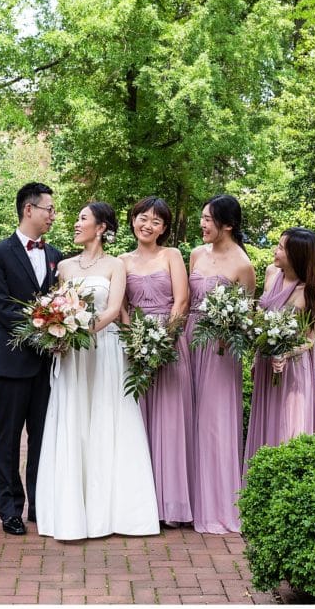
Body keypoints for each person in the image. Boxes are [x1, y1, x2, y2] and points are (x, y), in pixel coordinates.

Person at [37, 202, 159, 540]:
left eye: (82, 219)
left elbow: (114, 308)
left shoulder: (115, 265)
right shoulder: (62, 266)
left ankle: (114, 512)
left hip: (103, 350)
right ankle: (71, 512)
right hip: (72, 355)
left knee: (106, 418)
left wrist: (82, 329)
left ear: (101, 227)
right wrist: (59, 334)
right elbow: (54, 309)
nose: (76, 224)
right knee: (75, 420)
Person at [0, 182, 63, 536]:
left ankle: (39, 504)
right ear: (28, 209)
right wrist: (42, 330)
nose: (53, 215)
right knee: (8, 438)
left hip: (49, 364)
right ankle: (10, 508)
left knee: (44, 437)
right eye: (48, 208)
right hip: (13, 361)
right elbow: (0, 306)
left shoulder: (57, 255)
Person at [119, 197, 194, 529]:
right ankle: (140, 503)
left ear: (164, 229)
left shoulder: (172, 255)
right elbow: (120, 305)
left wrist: (164, 339)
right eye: (142, 218)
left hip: (170, 343)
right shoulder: (120, 261)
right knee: (138, 421)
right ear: (133, 220)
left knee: (169, 420)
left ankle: (170, 503)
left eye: (156, 221)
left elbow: (182, 300)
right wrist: (134, 338)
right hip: (135, 344)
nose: (147, 225)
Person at [186, 194, 255, 534]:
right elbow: (187, 302)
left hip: (221, 349)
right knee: (189, 415)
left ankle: (215, 506)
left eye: (209, 220)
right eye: (202, 218)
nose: (203, 224)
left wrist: (228, 332)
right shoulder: (196, 254)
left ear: (228, 224)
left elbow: (246, 315)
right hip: (190, 339)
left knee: (214, 422)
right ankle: (188, 500)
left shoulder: (243, 265)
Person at [244, 228, 315, 465]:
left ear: (297, 255)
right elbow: (261, 315)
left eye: (281, 248)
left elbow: (310, 339)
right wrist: (256, 356)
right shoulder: (272, 273)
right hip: (266, 365)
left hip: (290, 369)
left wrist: (284, 352)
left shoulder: (312, 294)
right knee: (265, 423)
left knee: (288, 429)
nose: (275, 250)